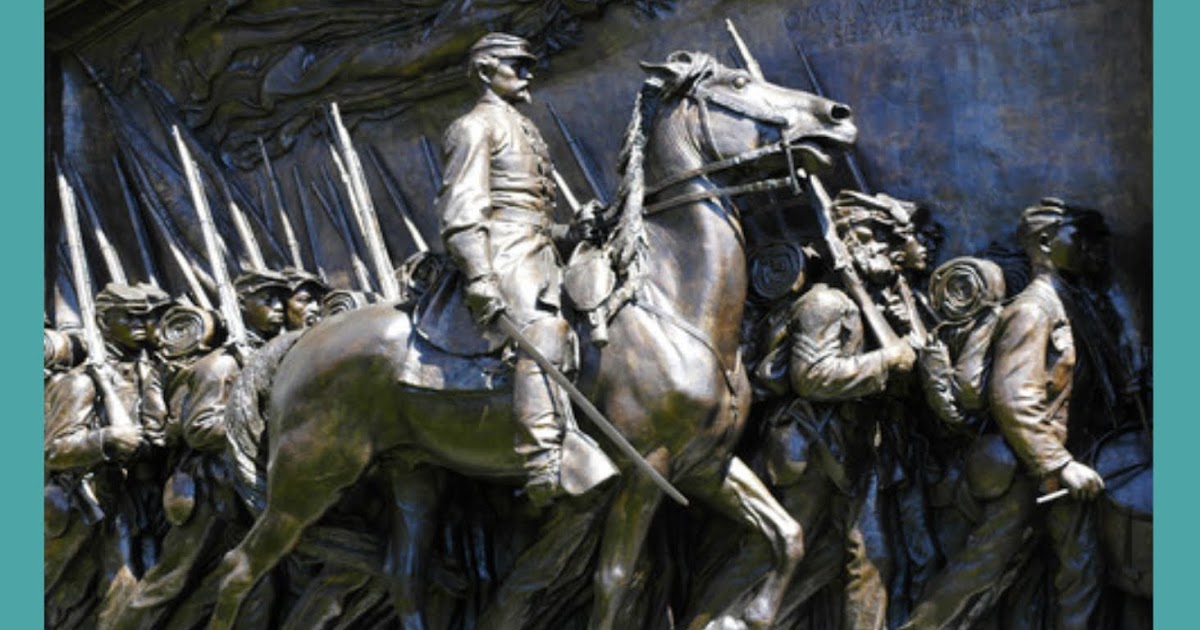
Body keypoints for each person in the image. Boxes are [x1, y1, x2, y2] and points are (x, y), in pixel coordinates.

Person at [902, 199, 1106, 630]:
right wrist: (1059, 464)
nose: (1093, 248)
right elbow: (1013, 397)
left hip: (1057, 468)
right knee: (975, 576)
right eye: (1082, 236)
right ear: (1046, 242)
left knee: (1076, 572)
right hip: (1029, 472)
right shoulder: (1033, 310)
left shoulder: (1072, 303)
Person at [434, 32, 595, 507]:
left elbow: (531, 212)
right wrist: (480, 276)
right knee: (542, 329)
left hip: (539, 248)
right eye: (516, 65)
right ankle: (543, 460)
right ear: (486, 71)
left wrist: (571, 232)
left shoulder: (523, 126)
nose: (527, 74)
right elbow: (462, 209)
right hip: (503, 252)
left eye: (529, 66)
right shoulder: (473, 126)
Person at [747, 192, 918, 629]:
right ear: (851, 240)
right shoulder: (825, 303)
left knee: (864, 557)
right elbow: (812, 377)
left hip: (850, 452)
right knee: (779, 563)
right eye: (878, 238)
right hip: (812, 448)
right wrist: (886, 360)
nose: (890, 251)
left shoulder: (869, 304)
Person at [45, 283, 172, 627]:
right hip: (85, 504)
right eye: (129, 317)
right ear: (103, 321)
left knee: (133, 592)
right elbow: (54, 450)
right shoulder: (81, 382)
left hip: (133, 503)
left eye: (145, 318)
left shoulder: (148, 373)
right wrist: (105, 439)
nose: (140, 325)